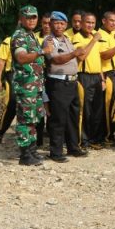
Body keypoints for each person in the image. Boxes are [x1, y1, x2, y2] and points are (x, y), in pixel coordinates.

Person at [42, 11, 91, 161]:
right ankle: (55, 152)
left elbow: (77, 57)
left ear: (66, 25)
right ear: (50, 24)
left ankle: (73, 147)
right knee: (58, 118)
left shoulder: (67, 39)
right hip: (58, 83)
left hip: (72, 81)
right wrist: (74, 54)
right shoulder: (48, 41)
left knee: (73, 117)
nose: (59, 26)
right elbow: (56, 60)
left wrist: (79, 53)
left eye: (62, 23)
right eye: (56, 23)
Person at [10, 5, 46, 166]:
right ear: (21, 19)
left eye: (34, 17)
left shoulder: (30, 35)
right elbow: (21, 58)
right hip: (26, 85)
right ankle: (25, 155)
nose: (32, 20)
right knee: (25, 119)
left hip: (35, 85)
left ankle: (32, 150)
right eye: (28, 17)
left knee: (34, 117)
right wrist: (41, 52)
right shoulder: (19, 36)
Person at [72, 12, 106, 150]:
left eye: (92, 23)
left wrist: (102, 78)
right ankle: (82, 139)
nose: (90, 25)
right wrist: (93, 41)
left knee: (97, 109)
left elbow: (98, 60)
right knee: (84, 109)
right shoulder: (77, 37)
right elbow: (81, 56)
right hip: (83, 76)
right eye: (87, 22)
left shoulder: (95, 37)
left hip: (96, 77)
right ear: (81, 23)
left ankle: (94, 138)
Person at [97, 11, 115, 142]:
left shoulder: (113, 35)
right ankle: (106, 135)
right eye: (111, 20)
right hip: (107, 74)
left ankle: (113, 132)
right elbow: (104, 55)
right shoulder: (100, 35)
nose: (114, 23)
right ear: (104, 21)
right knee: (107, 106)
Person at [0, 34, 16, 143]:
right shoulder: (9, 40)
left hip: (31, 75)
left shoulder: (33, 39)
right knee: (12, 104)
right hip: (13, 74)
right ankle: (0, 132)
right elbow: (2, 61)